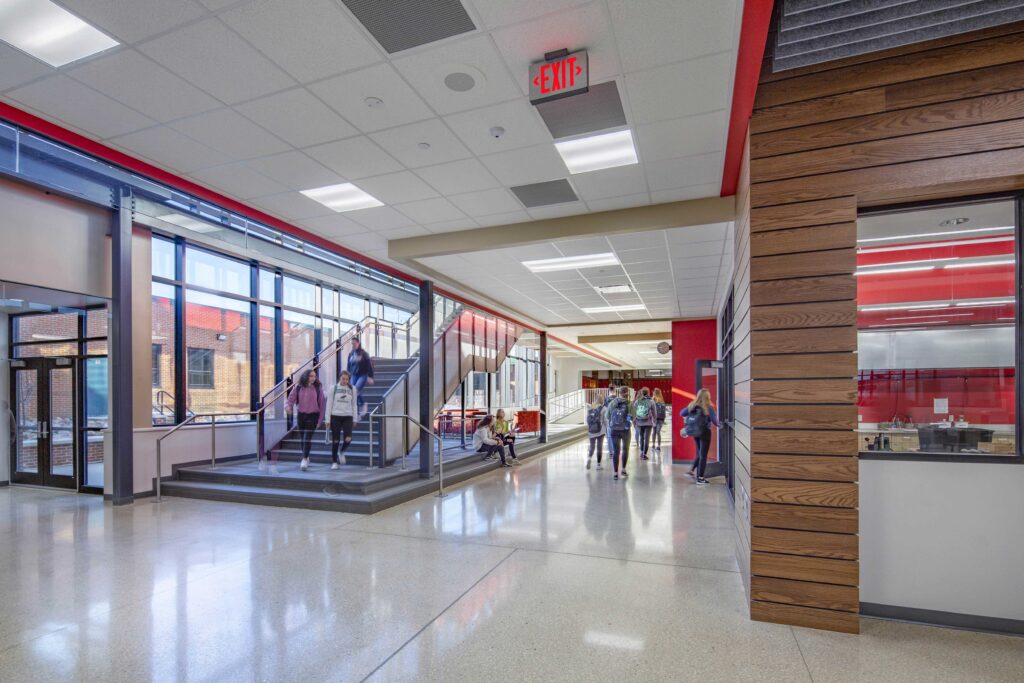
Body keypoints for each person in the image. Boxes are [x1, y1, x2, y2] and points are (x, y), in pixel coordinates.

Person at [285, 369, 325, 472]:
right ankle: (306, 457)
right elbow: (290, 400)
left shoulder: (318, 388)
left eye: (314, 376)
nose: (313, 378)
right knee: (303, 438)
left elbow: (322, 406)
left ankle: (304, 459)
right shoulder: (298, 388)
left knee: (307, 438)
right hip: (301, 416)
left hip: (313, 416)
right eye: (311, 376)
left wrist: (320, 421)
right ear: (306, 376)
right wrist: (288, 407)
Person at [680, 388, 721, 486]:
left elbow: (682, 413)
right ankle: (700, 478)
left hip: (695, 432)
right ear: (707, 397)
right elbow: (715, 422)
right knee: (703, 455)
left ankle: (692, 470)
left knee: (699, 453)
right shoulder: (708, 407)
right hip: (705, 432)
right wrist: (721, 425)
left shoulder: (692, 405)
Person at [325, 370, 358, 469]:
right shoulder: (333, 388)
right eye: (343, 379)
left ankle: (342, 451)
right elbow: (329, 404)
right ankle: (334, 462)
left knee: (348, 438)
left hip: (348, 416)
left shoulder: (353, 389)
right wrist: (327, 419)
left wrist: (355, 419)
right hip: (335, 416)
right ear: (340, 378)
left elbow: (354, 405)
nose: (345, 381)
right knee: (336, 440)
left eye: (347, 379)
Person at [604, 386, 632, 481]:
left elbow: (607, 416)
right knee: (625, 449)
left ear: (619, 392)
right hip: (625, 430)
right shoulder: (629, 403)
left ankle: (615, 473)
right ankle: (623, 469)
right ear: (627, 392)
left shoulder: (612, 402)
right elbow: (633, 417)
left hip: (614, 430)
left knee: (616, 451)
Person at [347, 337, 375, 417]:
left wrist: (370, 376)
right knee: (353, 392)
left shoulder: (364, 354)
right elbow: (348, 366)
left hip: (363, 374)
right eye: (352, 344)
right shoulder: (351, 354)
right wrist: (347, 375)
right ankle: (358, 410)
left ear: (358, 343)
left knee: (355, 390)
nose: (353, 345)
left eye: (354, 343)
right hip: (354, 375)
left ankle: (362, 404)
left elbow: (369, 365)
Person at [632, 387, 656, 460]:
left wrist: (634, 422)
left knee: (641, 438)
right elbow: (655, 413)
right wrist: (654, 421)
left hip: (639, 422)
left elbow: (634, 412)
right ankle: (644, 454)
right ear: (648, 393)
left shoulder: (637, 401)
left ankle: (641, 452)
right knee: (647, 438)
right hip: (648, 423)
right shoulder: (651, 401)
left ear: (641, 393)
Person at [585, 397, 604, 470]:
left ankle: (589, 458)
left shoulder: (590, 409)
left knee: (592, 446)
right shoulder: (603, 409)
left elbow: (587, 420)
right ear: (602, 401)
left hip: (591, 430)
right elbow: (605, 420)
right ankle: (598, 465)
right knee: (599, 447)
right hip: (600, 431)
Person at [652, 388, 667, 453]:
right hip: (660, 418)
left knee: (655, 431)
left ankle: (655, 445)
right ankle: (656, 445)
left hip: (656, 418)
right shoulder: (660, 400)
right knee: (656, 432)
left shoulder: (654, 400)